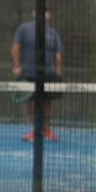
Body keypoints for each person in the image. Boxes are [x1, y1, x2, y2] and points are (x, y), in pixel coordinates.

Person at [11, 8, 63, 142]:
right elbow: (16, 48)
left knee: (47, 102)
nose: (45, 15)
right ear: (36, 15)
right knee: (32, 102)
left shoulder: (53, 34)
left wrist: (57, 73)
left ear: (49, 16)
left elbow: (57, 55)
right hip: (29, 73)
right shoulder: (24, 29)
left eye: (47, 12)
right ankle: (35, 130)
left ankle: (46, 129)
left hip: (48, 73)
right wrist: (16, 67)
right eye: (42, 12)